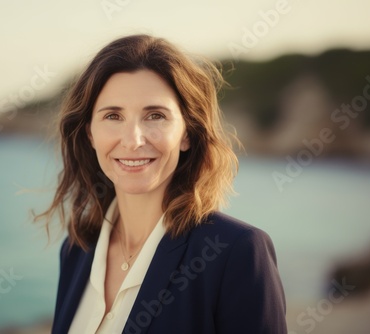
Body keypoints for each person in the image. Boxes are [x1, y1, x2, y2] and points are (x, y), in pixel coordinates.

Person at [37, 34, 287, 334]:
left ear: (187, 133)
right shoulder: (77, 250)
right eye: (113, 116)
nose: (132, 140)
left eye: (155, 115)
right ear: (90, 133)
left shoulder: (236, 252)